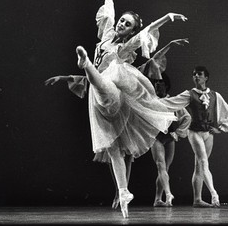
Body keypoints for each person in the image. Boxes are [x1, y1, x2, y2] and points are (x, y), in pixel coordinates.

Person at [47, 0, 187, 218]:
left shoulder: (124, 47)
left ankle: (86, 64)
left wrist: (168, 17)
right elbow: (109, 12)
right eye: (123, 21)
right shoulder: (106, 35)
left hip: (113, 90)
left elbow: (148, 30)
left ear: (131, 30)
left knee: (105, 81)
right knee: (112, 148)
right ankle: (123, 192)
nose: (122, 24)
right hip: (98, 102)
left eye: (128, 24)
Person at [45, 38, 189, 210]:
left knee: (128, 158)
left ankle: (130, 192)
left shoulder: (133, 72)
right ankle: (120, 191)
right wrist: (64, 77)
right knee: (116, 156)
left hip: (131, 121)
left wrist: (169, 45)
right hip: (116, 119)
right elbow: (90, 80)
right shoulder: (109, 73)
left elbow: (154, 60)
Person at [159, 66, 228, 207]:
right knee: (203, 162)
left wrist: (220, 129)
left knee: (199, 167)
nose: (196, 77)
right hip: (194, 133)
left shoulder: (215, 95)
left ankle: (197, 199)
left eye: (199, 74)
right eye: (194, 74)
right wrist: (150, 102)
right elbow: (171, 102)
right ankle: (214, 194)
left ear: (206, 77)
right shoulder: (189, 94)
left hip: (208, 134)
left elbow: (227, 113)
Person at [149, 74, 191, 207]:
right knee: (160, 165)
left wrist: (177, 133)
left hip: (169, 137)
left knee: (165, 169)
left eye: (160, 82)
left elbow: (187, 117)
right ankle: (168, 194)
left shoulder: (172, 101)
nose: (157, 85)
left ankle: (157, 199)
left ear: (166, 85)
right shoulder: (151, 100)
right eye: (155, 82)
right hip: (156, 137)